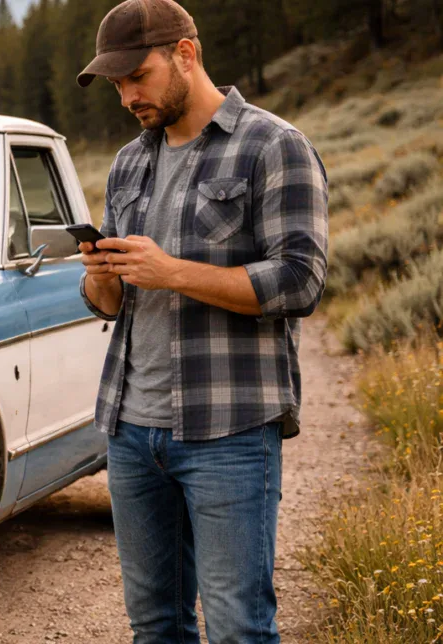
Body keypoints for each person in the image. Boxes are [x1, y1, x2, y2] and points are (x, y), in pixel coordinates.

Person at [75, 0, 328, 642]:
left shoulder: (274, 146)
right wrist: (102, 277)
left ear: (185, 53)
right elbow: (107, 305)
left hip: (230, 431)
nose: (128, 95)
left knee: (239, 627)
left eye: (138, 76)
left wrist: (174, 271)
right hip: (132, 430)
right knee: (155, 625)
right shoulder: (130, 161)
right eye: (117, 83)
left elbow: (301, 280)